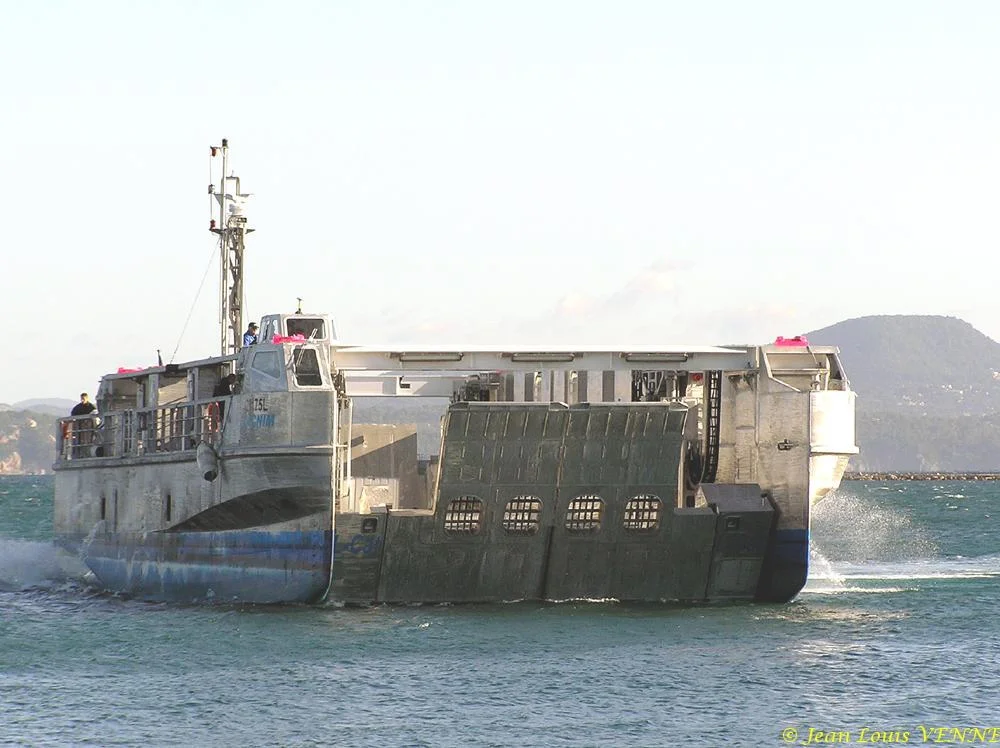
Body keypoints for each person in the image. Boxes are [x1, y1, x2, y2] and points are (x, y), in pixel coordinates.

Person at [70, 393, 97, 458]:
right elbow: (73, 414)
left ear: (87, 399)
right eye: (81, 399)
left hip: (88, 427)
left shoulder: (91, 407)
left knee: (88, 441)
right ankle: (79, 453)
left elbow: (94, 415)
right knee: (79, 441)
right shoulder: (77, 408)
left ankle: (87, 453)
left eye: (83, 399)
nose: (82, 400)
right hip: (79, 427)